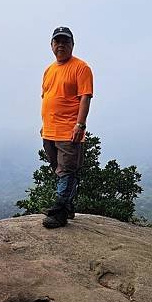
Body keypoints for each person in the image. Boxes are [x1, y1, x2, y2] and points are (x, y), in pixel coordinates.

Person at [40, 26, 94, 229]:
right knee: (59, 170)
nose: (61, 45)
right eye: (57, 41)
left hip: (69, 131)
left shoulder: (81, 68)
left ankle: (59, 213)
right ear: (52, 45)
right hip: (50, 131)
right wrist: (44, 125)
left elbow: (85, 97)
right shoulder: (49, 70)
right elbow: (47, 98)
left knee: (66, 171)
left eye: (65, 41)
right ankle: (68, 206)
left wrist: (80, 124)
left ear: (72, 44)